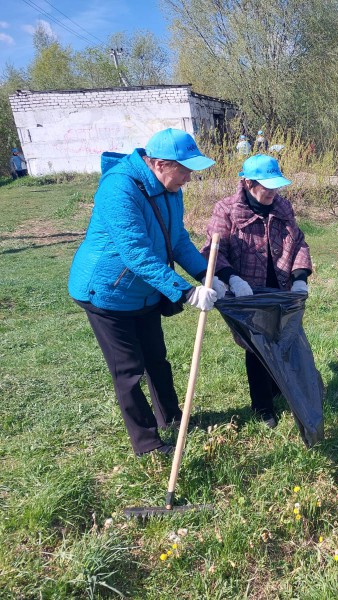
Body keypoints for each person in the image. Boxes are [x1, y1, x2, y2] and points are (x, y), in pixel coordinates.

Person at [68, 128, 226, 457]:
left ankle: (171, 418)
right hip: (107, 293)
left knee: (157, 358)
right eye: (183, 170)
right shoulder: (119, 188)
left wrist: (204, 274)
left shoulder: (171, 189)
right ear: (157, 163)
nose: (188, 177)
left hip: (145, 291)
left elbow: (177, 238)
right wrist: (186, 293)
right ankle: (148, 444)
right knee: (128, 370)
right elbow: (137, 253)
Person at [201, 154, 312, 427]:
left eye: (276, 186)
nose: (273, 192)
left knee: (280, 340)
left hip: (281, 288)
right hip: (247, 292)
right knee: (256, 347)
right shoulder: (226, 210)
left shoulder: (282, 207)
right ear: (248, 182)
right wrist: (231, 279)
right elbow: (214, 251)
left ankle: (276, 389)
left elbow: (298, 243)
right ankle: (262, 406)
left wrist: (300, 277)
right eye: (267, 186)